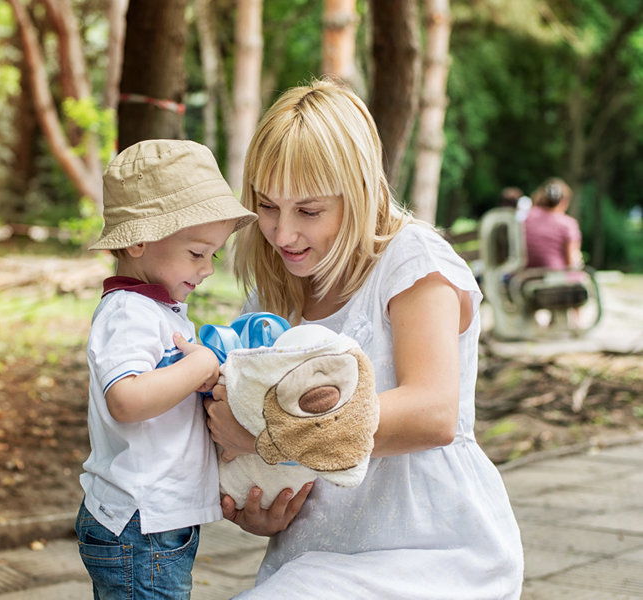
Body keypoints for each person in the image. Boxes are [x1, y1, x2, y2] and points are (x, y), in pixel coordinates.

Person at [203, 78, 524, 598]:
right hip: (314, 555)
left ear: (357, 194)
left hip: (434, 549)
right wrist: (260, 510)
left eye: (308, 211)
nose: (283, 234)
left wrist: (270, 435)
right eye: (266, 206)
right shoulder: (272, 296)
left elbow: (433, 414)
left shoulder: (414, 261)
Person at [76, 138, 257, 599]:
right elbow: (128, 399)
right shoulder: (128, 312)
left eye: (213, 255)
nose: (208, 268)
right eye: (197, 253)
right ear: (138, 239)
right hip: (140, 527)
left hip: (156, 524)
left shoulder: (158, 309)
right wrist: (200, 364)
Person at [523, 177, 583, 269]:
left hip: (526, 277)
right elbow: (571, 262)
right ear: (564, 202)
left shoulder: (525, 218)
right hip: (556, 278)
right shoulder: (568, 224)